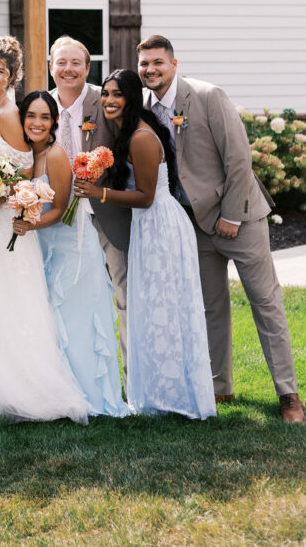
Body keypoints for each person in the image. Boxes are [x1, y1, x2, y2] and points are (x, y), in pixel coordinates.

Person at [137, 35, 305, 422]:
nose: (151, 70)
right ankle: (219, 386)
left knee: (266, 303)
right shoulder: (144, 108)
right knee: (210, 307)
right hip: (193, 224)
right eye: (145, 64)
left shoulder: (207, 95)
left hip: (239, 219)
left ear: (174, 64)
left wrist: (231, 215)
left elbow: (238, 157)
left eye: (158, 62)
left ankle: (288, 394)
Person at [0, 36, 88, 424]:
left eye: (0, 71)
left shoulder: (12, 115)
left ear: (12, 76)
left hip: (6, 224)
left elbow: (25, 173)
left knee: (10, 301)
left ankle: (28, 391)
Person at [76, 69, 215, 419]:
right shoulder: (129, 131)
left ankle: (174, 397)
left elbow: (148, 197)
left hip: (161, 227)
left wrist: (99, 192)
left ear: (132, 98)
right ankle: (157, 391)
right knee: (153, 308)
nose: (108, 100)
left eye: (117, 94)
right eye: (105, 93)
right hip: (148, 227)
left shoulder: (140, 136)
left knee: (165, 307)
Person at [19, 90, 128, 417]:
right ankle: (58, 392)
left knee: (75, 323)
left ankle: (88, 396)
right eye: (31, 116)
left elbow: (62, 209)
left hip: (72, 251)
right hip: (44, 249)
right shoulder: (28, 155)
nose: (37, 123)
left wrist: (26, 225)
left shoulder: (55, 155)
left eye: (44, 117)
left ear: (53, 122)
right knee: (52, 322)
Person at [48, 36, 131, 374]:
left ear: (87, 67)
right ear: (51, 67)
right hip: (57, 218)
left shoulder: (106, 100)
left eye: (75, 63)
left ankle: (132, 378)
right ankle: (66, 374)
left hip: (107, 212)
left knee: (125, 297)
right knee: (63, 295)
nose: (68, 69)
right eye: (61, 63)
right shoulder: (42, 104)